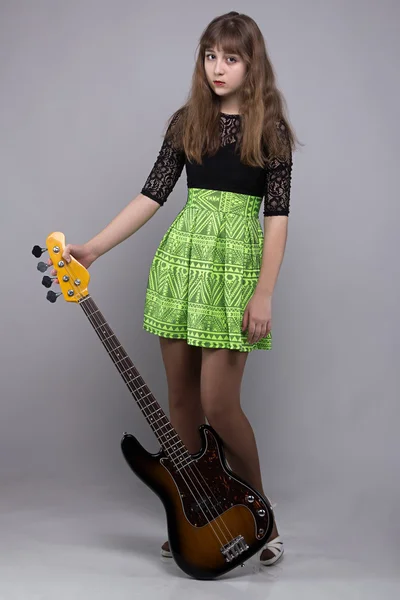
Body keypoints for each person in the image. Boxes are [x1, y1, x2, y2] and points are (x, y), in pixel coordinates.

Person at [49, 11, 297, 567]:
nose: (218, 68)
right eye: (210, 55)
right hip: (180, 266)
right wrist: (91, 249)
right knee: (182, 400)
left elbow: (277, 220)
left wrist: (264, 293)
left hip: (234, 273)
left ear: (251, 64)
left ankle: (263, 516)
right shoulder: (187, 121)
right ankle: (197, 514)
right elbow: (151, 196)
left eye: (231, 58)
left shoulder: (271, 129)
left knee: (219, 404)